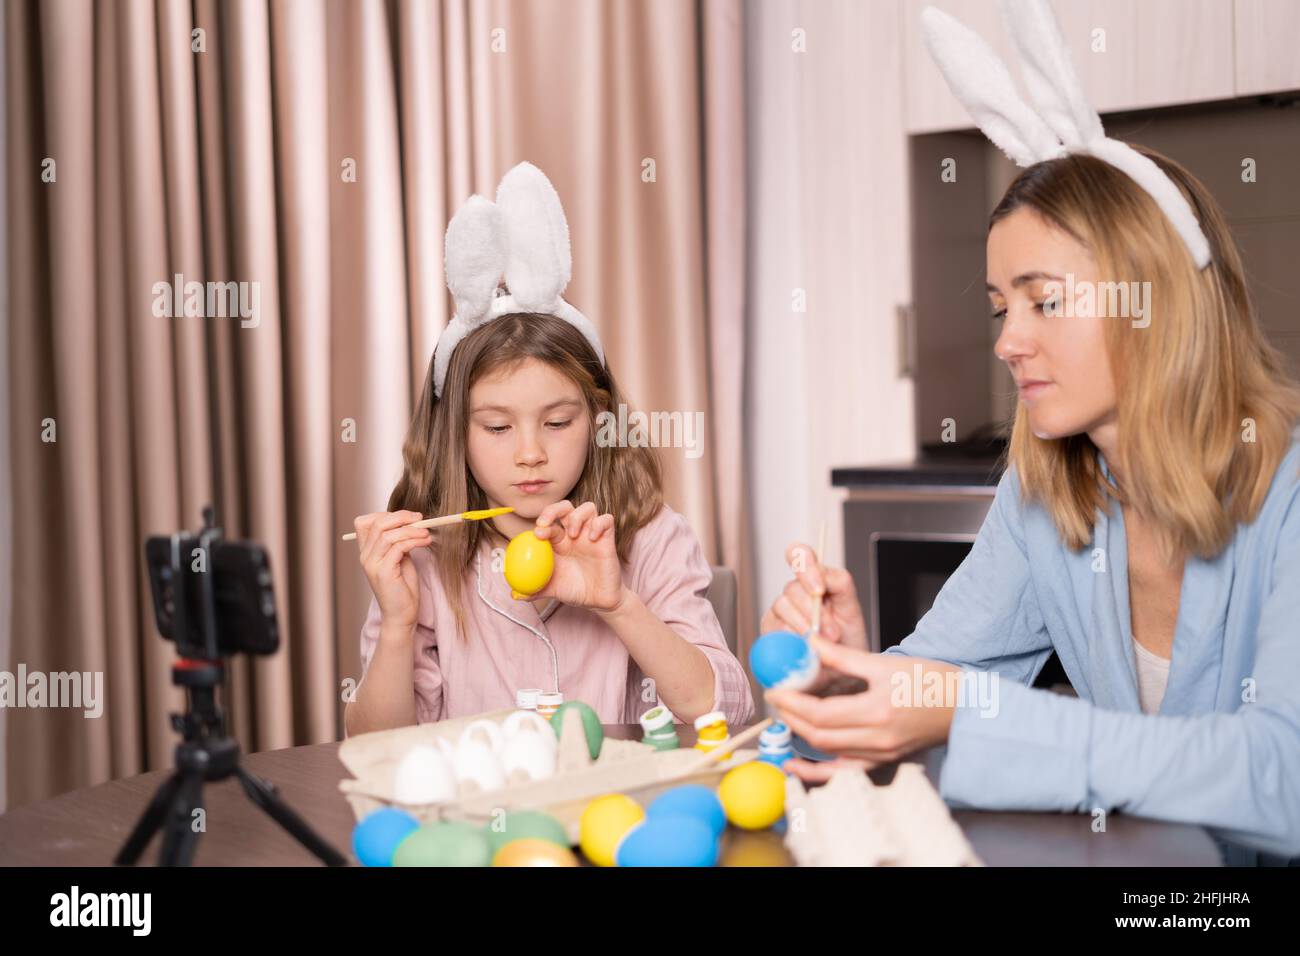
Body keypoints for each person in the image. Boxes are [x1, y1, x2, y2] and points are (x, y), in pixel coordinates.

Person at [345, 163, 753, 736]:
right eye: (497, 428)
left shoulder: (652, 535)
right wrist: (397, 624)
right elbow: (375, 748)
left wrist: (617, 604)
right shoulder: (426, 558)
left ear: (598, 420)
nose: (530, 453)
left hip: (616, 815)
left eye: (558, 422)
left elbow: (723, 710)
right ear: (453, 432)